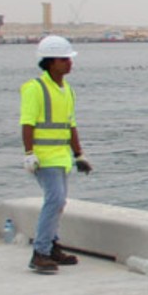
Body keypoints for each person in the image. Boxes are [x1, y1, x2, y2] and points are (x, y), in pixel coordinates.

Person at [21, 35, 92, 274]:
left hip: (61, 157)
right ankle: (40, 253)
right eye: (64, 59)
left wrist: (79, 155)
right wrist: (29, 153)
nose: (69, 63)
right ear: (50, 62)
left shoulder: (67, 90)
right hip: (44, 157)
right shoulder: (35, 89)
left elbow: (70, 125)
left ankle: (50, 246)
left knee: (58, 203)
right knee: (55, 200)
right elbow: (27, 123)